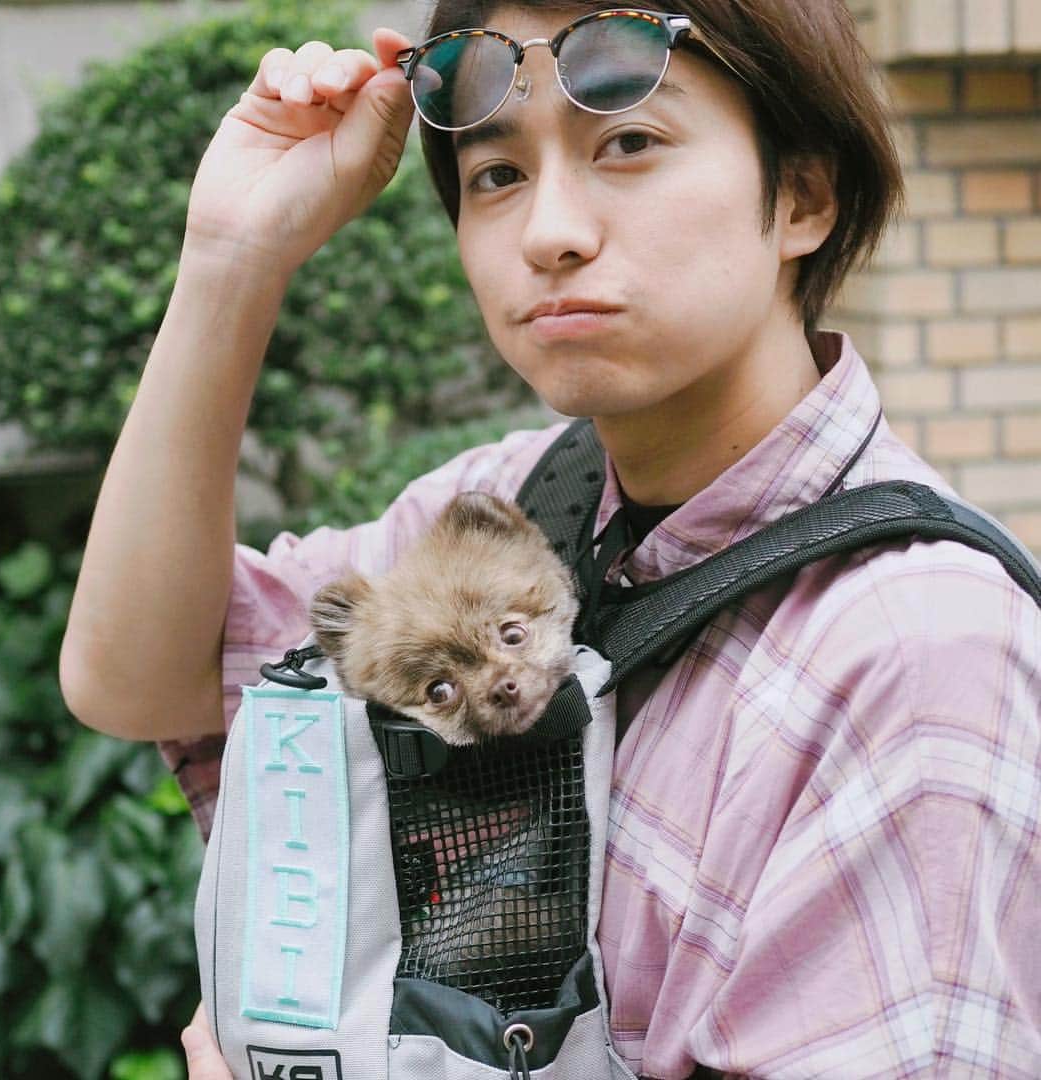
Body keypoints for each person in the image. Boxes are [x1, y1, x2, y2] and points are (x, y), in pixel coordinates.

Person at [60, 2, 1041, 1077]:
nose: (548, 232)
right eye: (497, 173)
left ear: (803, 196)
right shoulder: (510, 503)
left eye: (629, 143)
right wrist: (232, 257)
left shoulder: (911, 647)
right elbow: (144, 679)